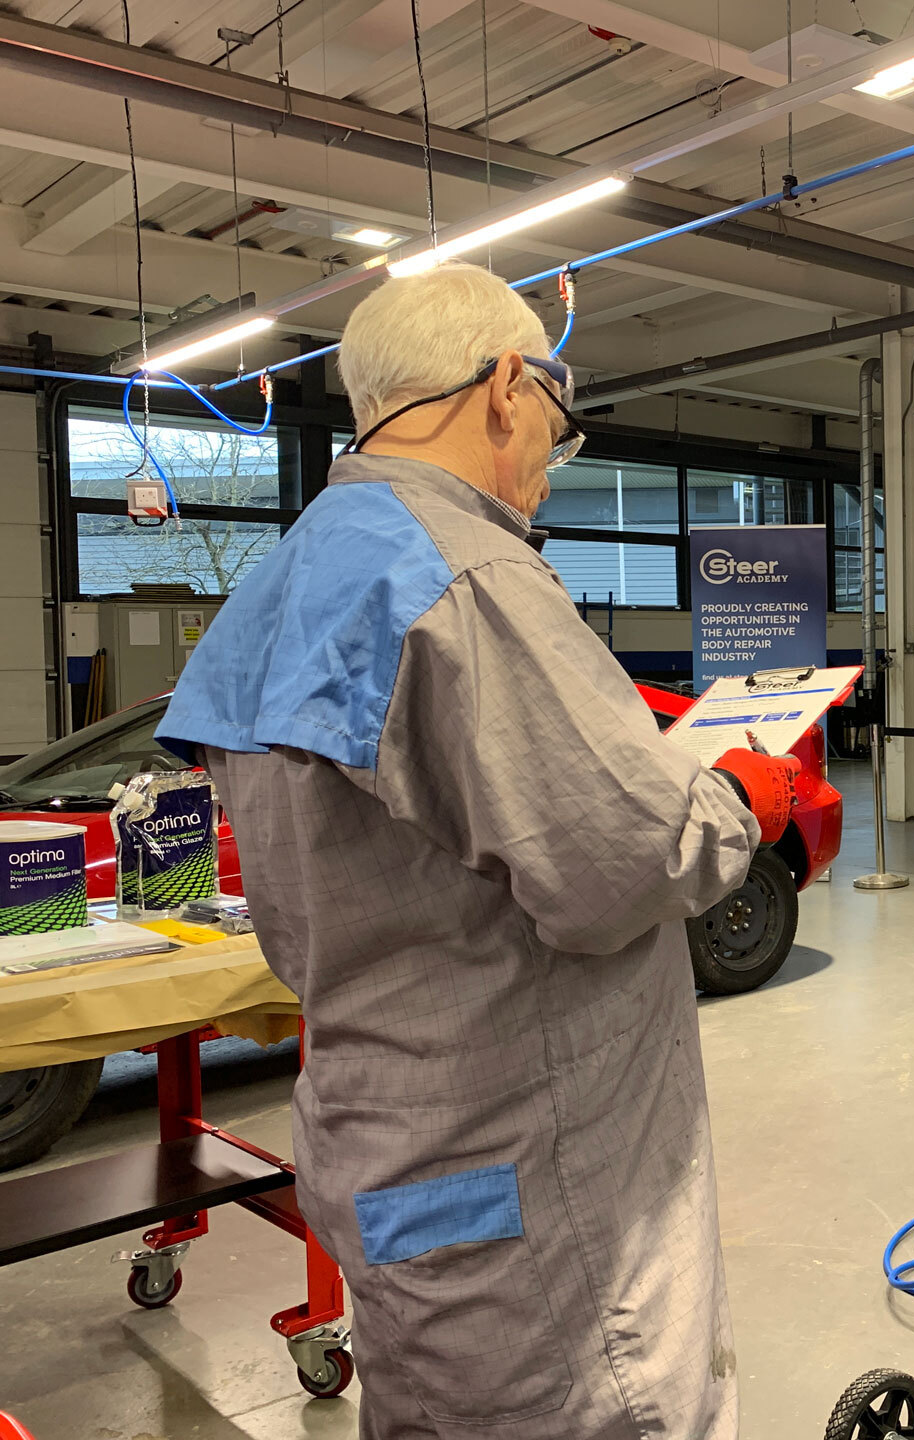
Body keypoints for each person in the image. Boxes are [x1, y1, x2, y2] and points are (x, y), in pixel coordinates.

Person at [158, 262, 790, 1439]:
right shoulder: (470, 572)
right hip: (531, 1166)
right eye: (556, 417)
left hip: (387, 1140)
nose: (554, 453)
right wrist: (739, 795)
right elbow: (620, 864)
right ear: (507, 386)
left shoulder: (283, 580)